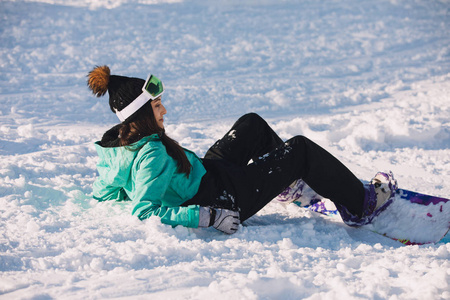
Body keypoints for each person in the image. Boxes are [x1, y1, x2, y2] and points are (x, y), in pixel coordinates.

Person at [88, 65, 398, 234]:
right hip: (223, 198)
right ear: (141, 115)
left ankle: (287, 187)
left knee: (251, 123)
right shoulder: (152, 154)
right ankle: (362, 205)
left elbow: (104, 190)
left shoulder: (118, 146)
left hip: (207, 174)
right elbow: (145, 211)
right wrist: (208, 218)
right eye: (157, 106)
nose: (164, 110)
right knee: (301, 149)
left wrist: (128, 186)